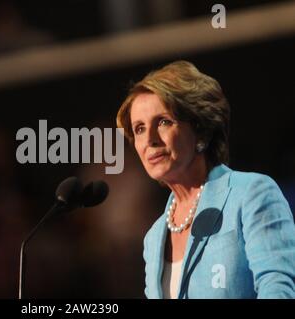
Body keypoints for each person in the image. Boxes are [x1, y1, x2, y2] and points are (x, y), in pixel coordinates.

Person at [116, 60, 295, 299]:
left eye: (164, 122)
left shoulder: (251, 194)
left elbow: (278, 289)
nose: (150, 139)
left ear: (201, 130)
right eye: (139, 128)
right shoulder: (153, 237)